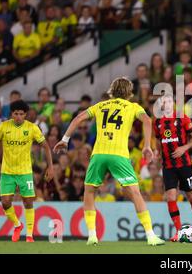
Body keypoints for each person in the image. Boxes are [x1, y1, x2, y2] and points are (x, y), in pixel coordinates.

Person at [53, 77, 164, 246]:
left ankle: (92, 235)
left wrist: (65, 139)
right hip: (119, 155)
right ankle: (150, 235)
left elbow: (77, 119)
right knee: (135, 193)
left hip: (98, 154)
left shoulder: (100, 105)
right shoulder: (133, 106)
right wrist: (147, 145)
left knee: (89, 191)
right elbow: (148, 121)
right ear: (129, 93)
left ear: (112, 91)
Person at [0, 100, 54, 242]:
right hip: (7, 172)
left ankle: (29, 235)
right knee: (5, 202)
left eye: (21, 114)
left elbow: (46, 146)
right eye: (16, 114)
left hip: (25, 172)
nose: (19, 117)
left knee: (28, 202)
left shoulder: (32, 128)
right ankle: (17, 225)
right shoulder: (4, 126)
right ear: (11, 114)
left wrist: (50, 167)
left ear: (25, 114)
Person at [153, 94, 192, 241]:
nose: (167, 104)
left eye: (169, 101)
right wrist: (157, 152)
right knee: (170, 197)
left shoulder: (182, 118)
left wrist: (184, 148)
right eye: (164, 102)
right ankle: (178, 231)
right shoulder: (157, 122)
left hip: (185, 164)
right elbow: (158, 140)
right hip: (168, 166)